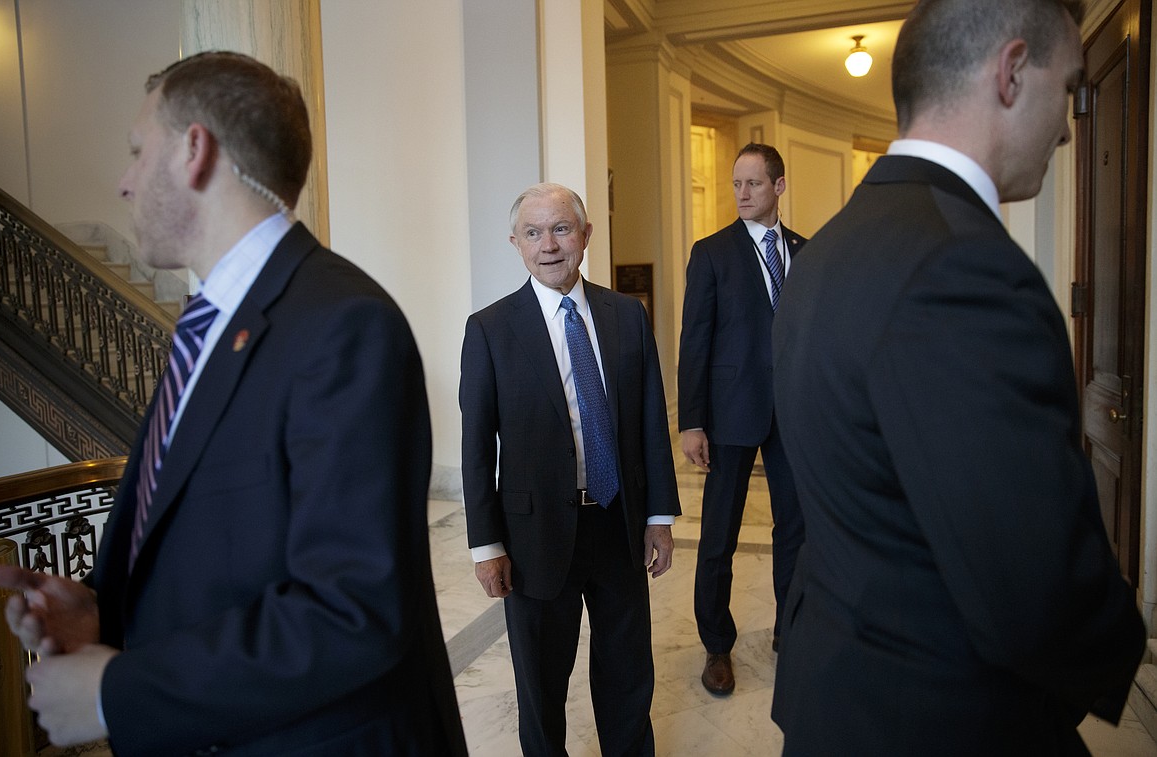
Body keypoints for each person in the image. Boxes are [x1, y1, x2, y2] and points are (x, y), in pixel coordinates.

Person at [0, 51, 466, 756]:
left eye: (135, 151)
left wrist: (118, 692)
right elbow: (224, 551)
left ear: (193, 150)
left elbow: (352, 610)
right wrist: (101, 613)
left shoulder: (342, 323)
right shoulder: (205, 325)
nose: (122, 183)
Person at [770, 0, 1145, 752]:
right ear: (1010, 72)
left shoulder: (825, 250)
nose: (1071, 126)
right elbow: (1033, 587)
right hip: (937, 715)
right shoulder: (963, 266)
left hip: (839, 693)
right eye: (1069, 89)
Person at [459, 183, 680, 756]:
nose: (548, 245)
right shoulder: (489, 330)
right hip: (533, 538)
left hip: (618, 523)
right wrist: (487, 547)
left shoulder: (627, 316)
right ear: (515, 243)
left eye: (561, 229)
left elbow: (650, 421)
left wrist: (658, 516)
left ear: (586, 236)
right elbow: (477, 447)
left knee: (628, 675)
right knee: (541, 687)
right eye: (533, 233)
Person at [677, 142, 806, 695]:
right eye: (736, 184)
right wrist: (691, 421)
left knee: (797, 531)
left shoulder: (808, 249)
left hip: (796, 416)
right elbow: (694, 342)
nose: (742, 193)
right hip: (730, 415)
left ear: (779, 186)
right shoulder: (711, 253)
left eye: (754, 183)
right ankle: (716, 646)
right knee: (718, 536)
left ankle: (791, 634)